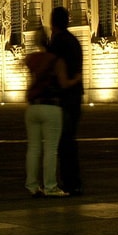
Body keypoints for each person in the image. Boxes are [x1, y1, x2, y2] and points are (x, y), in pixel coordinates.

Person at [24, 44, 82, 198]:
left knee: (33, 148)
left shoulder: (33, 59)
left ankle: (32, 186)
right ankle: (50, 187)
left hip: (33, 108)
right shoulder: (57, 61)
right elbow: (63, 84)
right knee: (51, 149)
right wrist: (76, 79)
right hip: (51, 107)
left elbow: (26, 66)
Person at [46, 6, 84, 195]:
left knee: (63, 142)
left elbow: (55, 68)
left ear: (53, 22)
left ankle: (70, 182)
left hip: (63, 97)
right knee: (69, 140)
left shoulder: (58, 42)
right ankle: (74, 181)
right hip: (75, 96)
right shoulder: (74, 41)